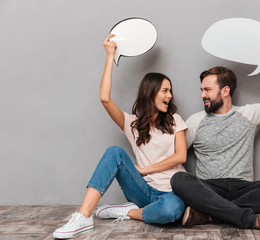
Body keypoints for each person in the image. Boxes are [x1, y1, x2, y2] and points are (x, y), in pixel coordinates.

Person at [53, 34, 187, 239]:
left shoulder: (175, 119)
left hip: (171, 191)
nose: (169, 96)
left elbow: (181, 157)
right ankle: (83, 217)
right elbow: (105, 98)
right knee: (114, 152)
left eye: (170, 91)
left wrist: (144, 169)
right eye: (165, 91)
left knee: (173, 212)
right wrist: (109, 56)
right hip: (142, 190)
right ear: (150, 92)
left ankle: (128, 212)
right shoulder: (131, 124)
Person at [170, 31, 260, 232]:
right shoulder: (196, 121)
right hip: (209, 188)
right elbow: (174, 154)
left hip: (243, 188)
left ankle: (210, 215)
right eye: (201, 90)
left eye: (207, 90)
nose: (202, 95)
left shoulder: (250, 114)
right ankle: (251, 220)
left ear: (225, 91)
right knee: (179, 180)